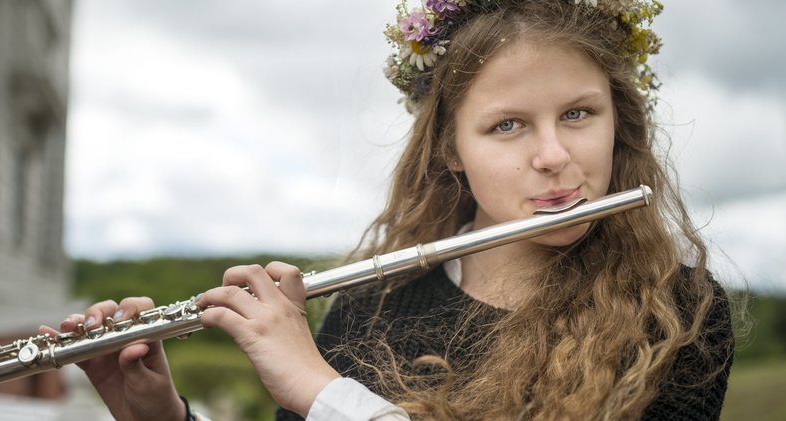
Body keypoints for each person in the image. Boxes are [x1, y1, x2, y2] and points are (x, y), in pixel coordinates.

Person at [44, 0, 734, 419]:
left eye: (578, 113)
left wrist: (322, 391)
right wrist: (161, 418)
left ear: (620, 120)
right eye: (508, 125)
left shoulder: (678, 315)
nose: (553, 154)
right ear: (451, 150)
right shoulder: (373, 307)